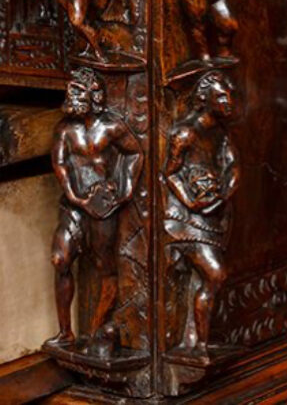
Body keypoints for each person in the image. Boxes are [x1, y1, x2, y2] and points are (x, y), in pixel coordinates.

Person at [48, 68, 143, 350]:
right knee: (60, 259)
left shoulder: (111, 127)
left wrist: (124, 189)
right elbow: (60, 165)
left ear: (95, 96)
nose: (72, 96)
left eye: (78, 91)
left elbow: (135, 153)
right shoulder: (65, 130)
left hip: (103, 208)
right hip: (74, 206)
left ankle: (96, 329)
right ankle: (65, 332)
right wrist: (75, 196)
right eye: (71, 90)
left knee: (106, 268)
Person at [163, 70, 240, 363]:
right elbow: (169, 173)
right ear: (204, 99)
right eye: (221, 96)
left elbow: (233, 165)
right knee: (215, 274)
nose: (228, 101)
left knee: (210, 278)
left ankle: (195, 339)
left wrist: (224, 192)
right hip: (187, 219)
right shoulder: (186, 133)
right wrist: (191, 201)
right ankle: (197, 344)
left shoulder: (220, 132)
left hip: (215, 213)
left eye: (229, 95)